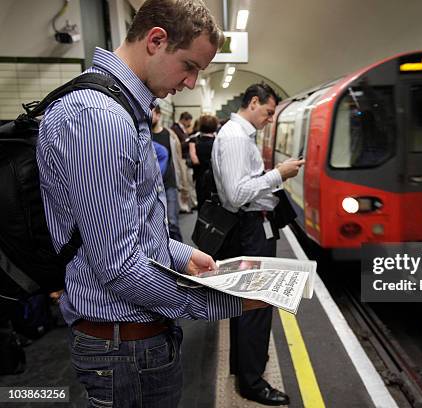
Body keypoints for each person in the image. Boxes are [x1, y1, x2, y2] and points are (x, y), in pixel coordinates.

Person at [36, 1, 266, 406]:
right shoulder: (98, 117)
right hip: (124, 349)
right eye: (189, 66)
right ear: (156, 40)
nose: (192, 83)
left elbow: (132, 224)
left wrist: (180, 255)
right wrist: (223, 301)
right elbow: (119, 267)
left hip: (133, 343)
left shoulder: (121, 109)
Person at [212, 83, 305, 406]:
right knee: (257, 304)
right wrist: (278, 174)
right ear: (253, 102)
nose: (269, 119)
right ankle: (252, 383)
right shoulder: (237, 138)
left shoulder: (236, 135)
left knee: (247, 303)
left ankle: (244, 366)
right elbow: (238, 195)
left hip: (250, 227)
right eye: (267, 111)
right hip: (251, 228)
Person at [151, 105, 183, 241]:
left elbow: (178, 160)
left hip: (169, 184)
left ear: (158, 115)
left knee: (172, 222)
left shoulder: (169, 135)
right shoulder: (142, 134)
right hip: (151, 186)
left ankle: (181, 259)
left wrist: (183, 186)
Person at [189, 114, 218, 207]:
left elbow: (194, 159)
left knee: (202, 205)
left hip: (200, 176)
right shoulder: (217, 141)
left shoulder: (194, 141)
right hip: (215, 179)